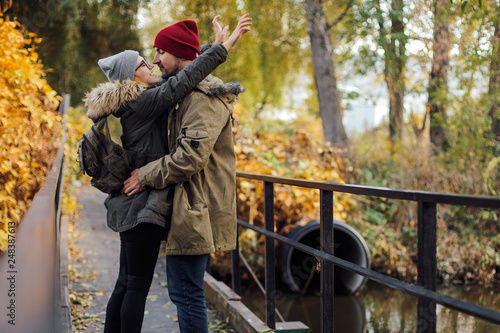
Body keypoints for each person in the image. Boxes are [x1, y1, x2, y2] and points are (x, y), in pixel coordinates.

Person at [83, 14, 252, 333]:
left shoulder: (159, 98)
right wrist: (219, 48)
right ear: (131, 78)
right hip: (148, 205)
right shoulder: (146, 99)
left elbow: (185, 74)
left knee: (138, 286)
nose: (154, 62)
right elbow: (183, 76)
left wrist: (211, 47)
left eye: (158, 55)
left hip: (168, 205)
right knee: (138, 287)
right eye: (146, 62)